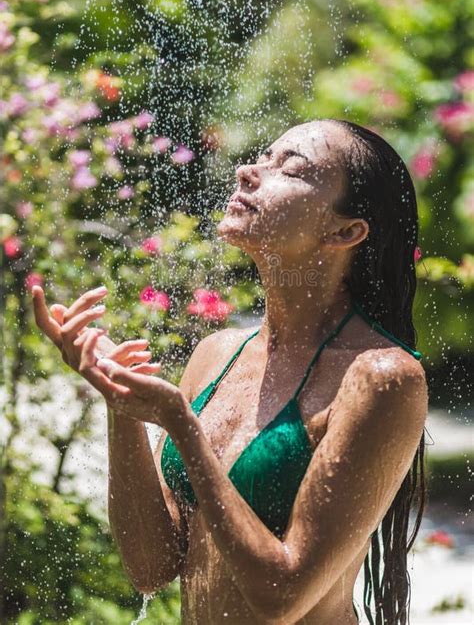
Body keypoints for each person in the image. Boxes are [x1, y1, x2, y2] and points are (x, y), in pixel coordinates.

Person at [32, 119, 428, 625]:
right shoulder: (217, 354)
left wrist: (182, 424)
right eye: (263, 155)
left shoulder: (381, 378)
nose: (247, 171)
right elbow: (151, 566)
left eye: (291, 169)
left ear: (345, 232)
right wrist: (120, 399)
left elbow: (282, 598)